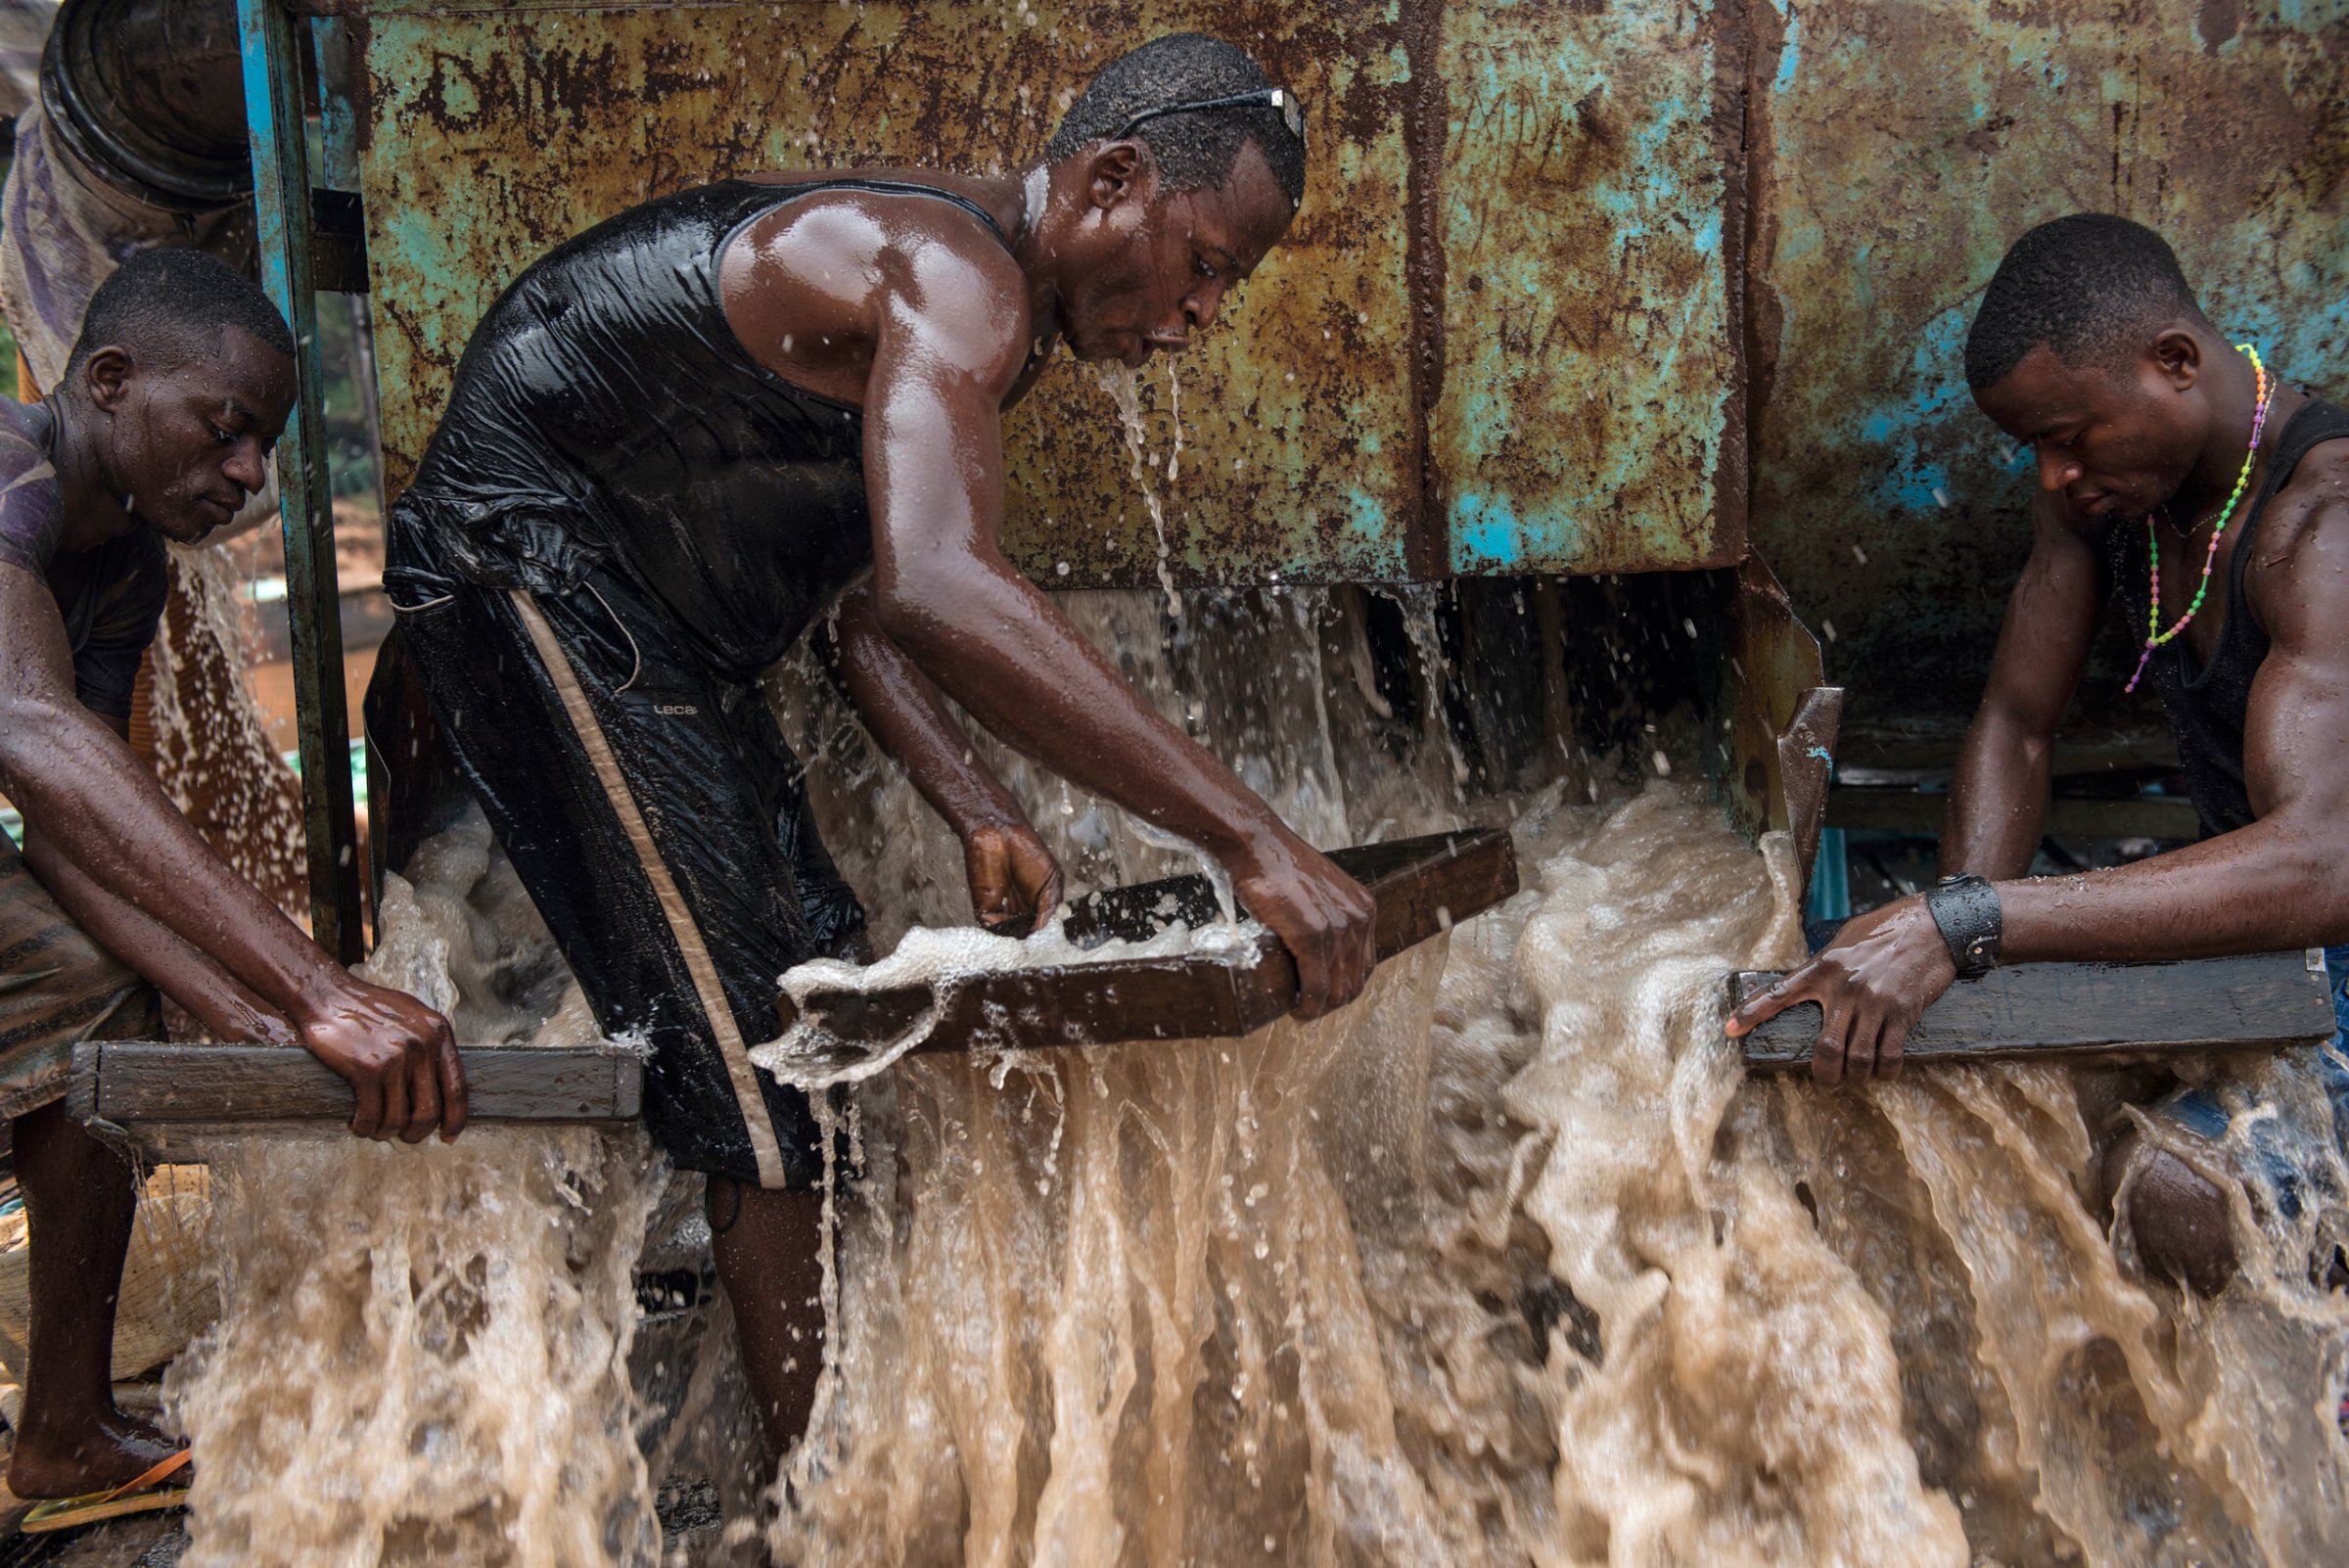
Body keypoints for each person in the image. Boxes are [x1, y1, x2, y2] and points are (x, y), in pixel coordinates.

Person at [380, 32, 1375, 1460]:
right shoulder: (958, 278)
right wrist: (1256, 840)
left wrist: (975, 804)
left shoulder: (977, 307)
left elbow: (864, 611)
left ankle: (842, 1440)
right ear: (1112, 179)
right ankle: (822, 1509)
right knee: (757, 1069)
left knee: (825, 986)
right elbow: (946, 590)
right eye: (1205, 261)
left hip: (651, 621)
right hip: (524, 562)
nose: (1203, 313)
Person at [1727, 213, 2349, 1291]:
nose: (2055, 476)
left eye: (2070, 436)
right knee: (1846, 1029)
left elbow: (2322, 864)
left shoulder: (2323, 530)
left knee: (2178, 1197)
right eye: (2036, 448)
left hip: (2326, 934)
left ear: (2175, 364)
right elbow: (2017, 723)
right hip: (2264, 952)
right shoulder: (2112, 491)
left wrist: (1964, 923)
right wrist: (1952, 947)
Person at [0, 249, 465, 1517]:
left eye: (260, 444)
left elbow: (60, 829)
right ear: (107, 381)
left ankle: (64, 1430)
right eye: (224, 429)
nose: (249, 473)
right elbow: (30, 729)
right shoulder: (10, 475)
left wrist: (249, 1012)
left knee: (92, 988)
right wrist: (320, 986)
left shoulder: (122, 565)